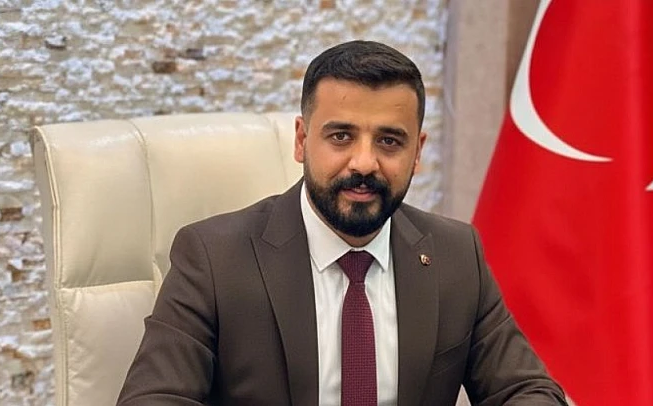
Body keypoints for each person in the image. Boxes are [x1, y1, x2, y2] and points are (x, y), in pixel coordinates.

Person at [117, 40, 567, 406]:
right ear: (301, 140)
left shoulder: (455, 255)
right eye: (341, 136)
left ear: (417, 152)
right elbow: (153, 399)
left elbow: (528, 391)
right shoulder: (215, 258)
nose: (364, 162)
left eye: (389, 141)